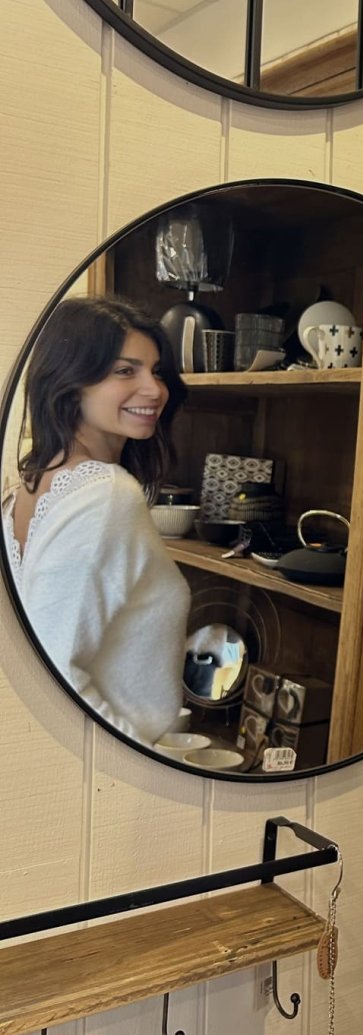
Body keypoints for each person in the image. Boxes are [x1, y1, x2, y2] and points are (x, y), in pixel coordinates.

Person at [3, 295, 191, 745]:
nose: (154, 389)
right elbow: (56, 674)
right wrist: (137, 761)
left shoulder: (28, 485)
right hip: (109, 762)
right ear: (71, 384)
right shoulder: (106, 494)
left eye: (156, 371)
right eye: (125, 371)